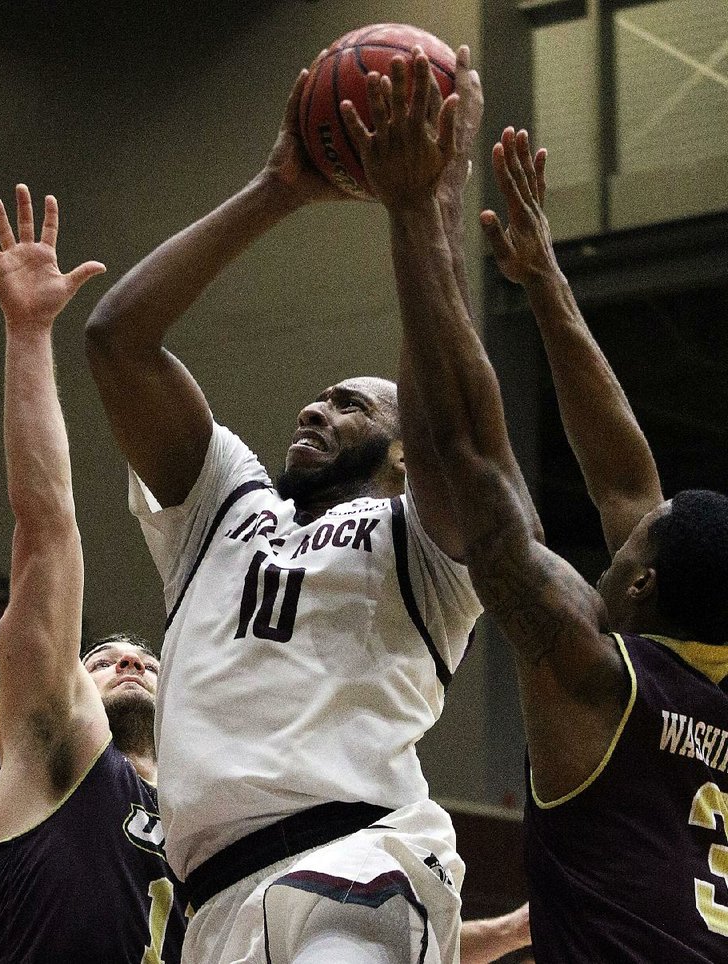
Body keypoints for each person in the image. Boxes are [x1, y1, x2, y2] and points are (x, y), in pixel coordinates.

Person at [84, 46, 500, 963]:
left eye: (353, 403)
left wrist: (422, 213)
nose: (316, 407)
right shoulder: (222, 505)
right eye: (318, 397)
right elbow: (119, 340)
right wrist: (277, 186)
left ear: (401, 449)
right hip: (218, 907)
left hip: (360, 865)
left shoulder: (424, 544)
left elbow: (453, 429)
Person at [342, 47, 728, 962]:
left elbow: (472, 460)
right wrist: (544, 284)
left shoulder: (595, 677)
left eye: (631, 550)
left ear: (639, 589)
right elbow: (629, 488)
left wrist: (418, 216)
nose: (618, 542)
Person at [0, 186, 188, 963]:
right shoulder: (58, 745)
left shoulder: (223, 819)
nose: (128, 659)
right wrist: (28, 333)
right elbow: (47, 524)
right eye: (102, 660)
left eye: (148, 661)